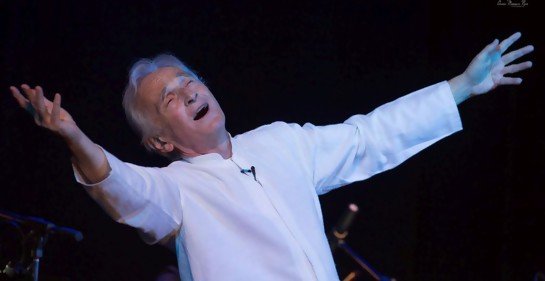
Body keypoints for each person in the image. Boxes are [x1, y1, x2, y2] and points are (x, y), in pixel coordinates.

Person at [9, 32, 533, 281]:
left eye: (189, 80)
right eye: (169, 97)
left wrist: (461, 87)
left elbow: (368, 137)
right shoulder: (177, 190)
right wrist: (75, 138)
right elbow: (123, 188)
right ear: (162, 141)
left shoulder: (281, 141)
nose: (188, 91)